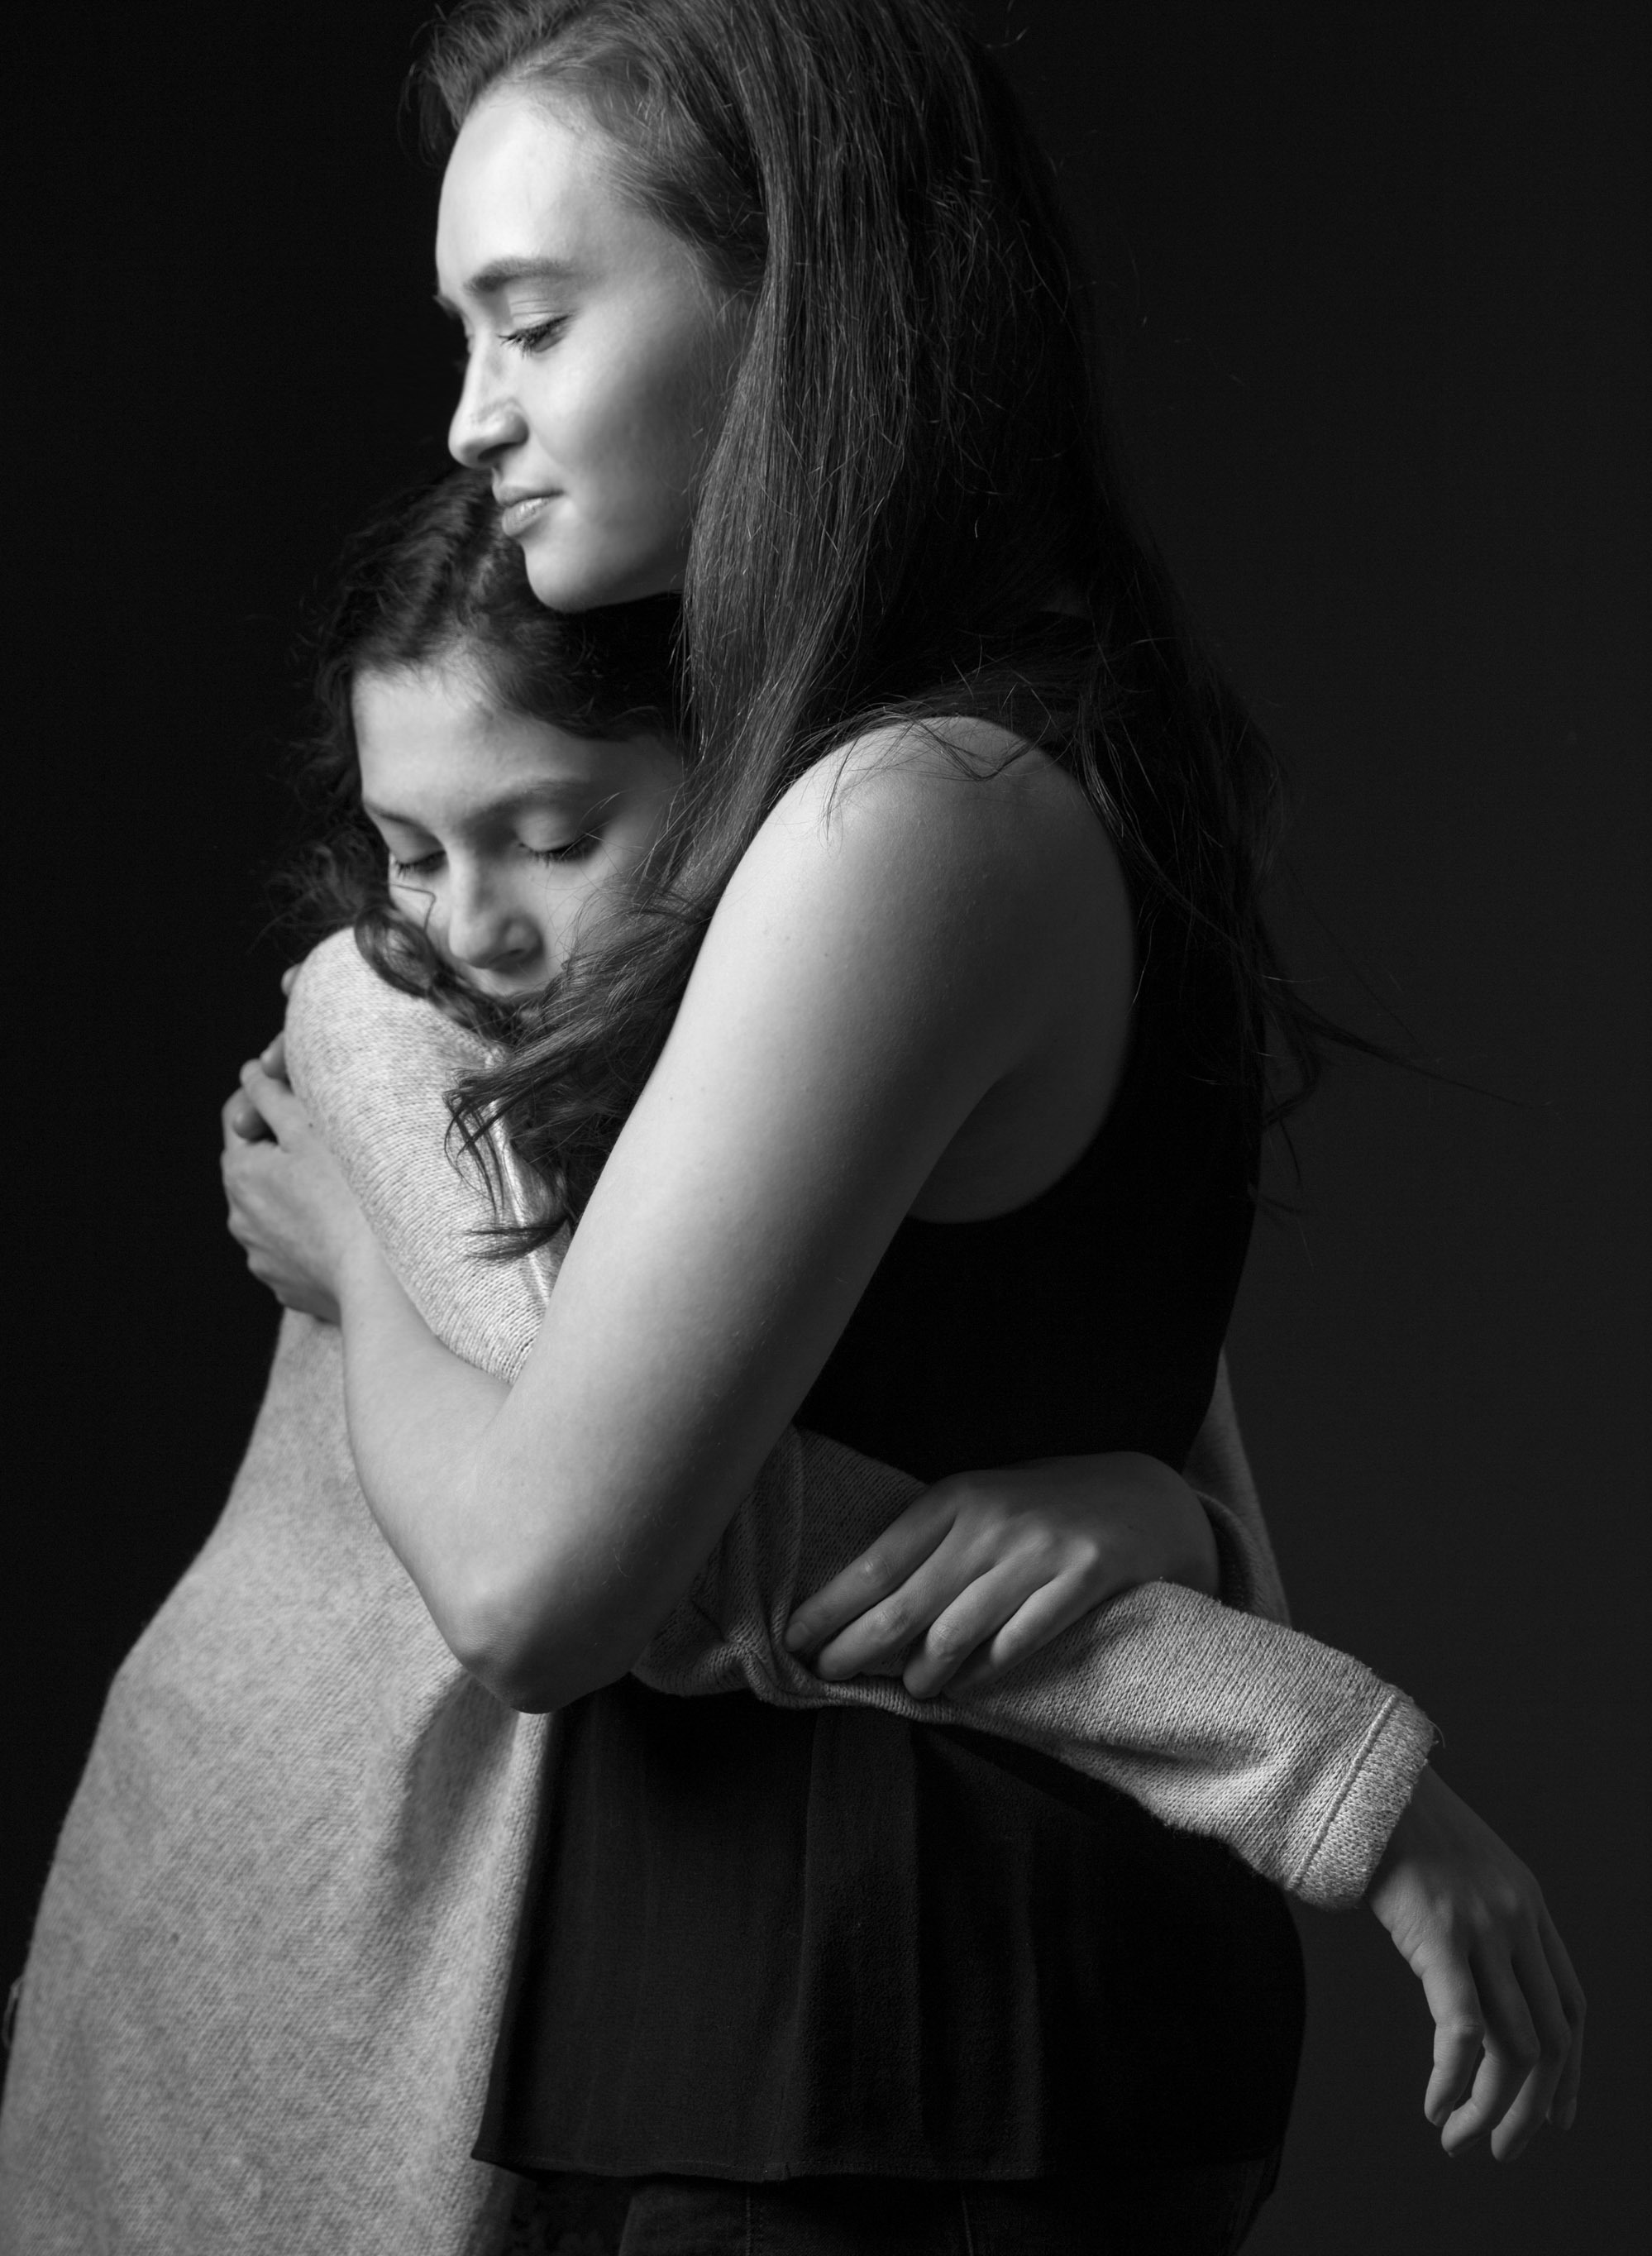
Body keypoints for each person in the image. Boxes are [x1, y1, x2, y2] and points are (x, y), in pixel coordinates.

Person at [212, 0, 1583, 2254]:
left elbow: (545, 1579)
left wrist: (355, 1246)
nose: (468, 413)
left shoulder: (897, 818)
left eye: (532, 320)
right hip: (883, 2030)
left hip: (871, 2051)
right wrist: (1178, 1518)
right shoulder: (990, 756)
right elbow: (1053, 1318)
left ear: (795, 297)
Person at [0, 466, 1433, 2256]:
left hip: (587, 1944)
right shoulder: (391, 1029)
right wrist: (1325, 1752)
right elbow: (655, 1559)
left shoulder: (801, 1039)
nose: (468, 923)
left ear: (731, 790)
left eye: (546, 829)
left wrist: (1175, 1522)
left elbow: (1141, 1397)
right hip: (285, 1896)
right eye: (411, 845)